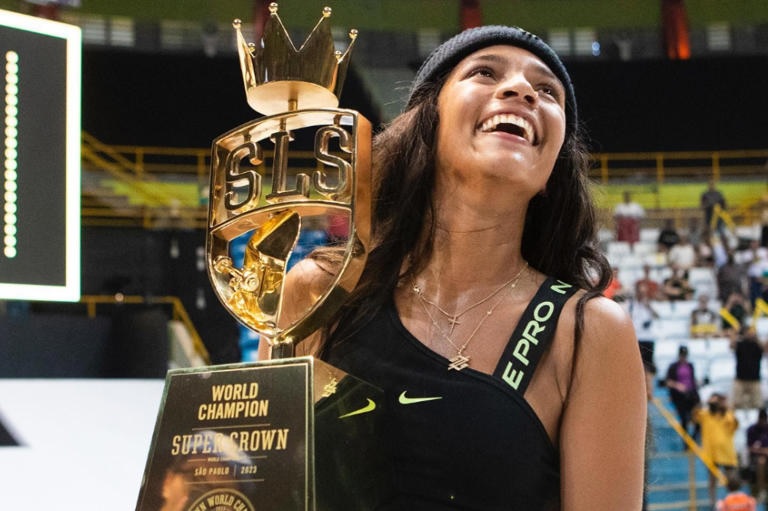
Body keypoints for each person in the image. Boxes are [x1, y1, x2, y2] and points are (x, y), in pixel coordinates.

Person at [263, 25, 647, 509]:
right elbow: (267, 485)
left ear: (553, 171)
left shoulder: (589, 331)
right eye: (485, 72)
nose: (522, 89)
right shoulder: (320, 293)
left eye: (547, 91)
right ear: (427, 124)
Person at [694, 393, 740, 508]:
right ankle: (713, 504)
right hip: (712, 454)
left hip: (727, 453)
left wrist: (725, 406)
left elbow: (734, 424)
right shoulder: (705, 414)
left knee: (732, 481)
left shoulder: (727, 415)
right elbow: (694, 415)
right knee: (712, 481)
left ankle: (733, 503)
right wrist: (704, 403)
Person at [665, 345, 700, 444]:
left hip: (691, 395)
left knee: (697, 419)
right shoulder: (673, 366)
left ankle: (692, 440)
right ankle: (686, 442)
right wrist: (678, 386)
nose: (683, 357)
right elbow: (668, 381)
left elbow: (693, 380)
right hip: (679, 397)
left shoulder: (690, 366)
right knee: (684, 419)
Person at [731, 326, 765, 411]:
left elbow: (765, 349)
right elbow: (731, 345)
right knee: (736, 403)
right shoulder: (740, 344)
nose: (749, 334)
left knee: (758, 404)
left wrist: (756, 338)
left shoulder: (757, 345)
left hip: (754, 379)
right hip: (740, 378)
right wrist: (735, 334)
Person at [746, 409, 768, 502]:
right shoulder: (752, 430)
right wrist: (763, 451)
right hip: (756, 457)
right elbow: (750, 448)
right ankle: (762, 490)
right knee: (761, 461)